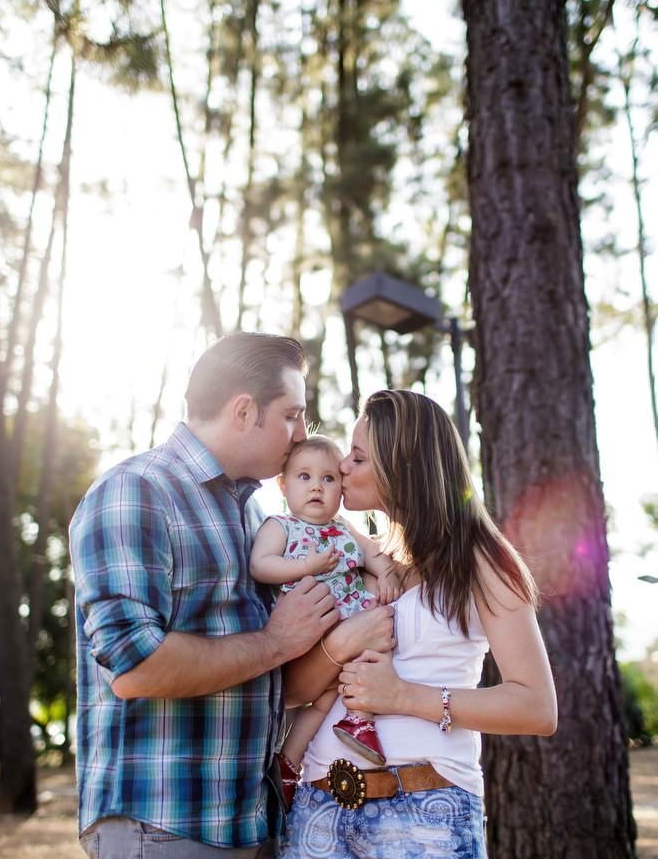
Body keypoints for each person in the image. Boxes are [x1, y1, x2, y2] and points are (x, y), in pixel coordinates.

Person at [70, 332, 343, 859]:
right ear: (244, 411)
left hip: (251, 825)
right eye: (291, 414)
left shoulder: (256, 518)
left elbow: (259, 681)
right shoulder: (136, 492)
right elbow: (136, 667)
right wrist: (276, 642)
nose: (301, 433)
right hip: (166, 826)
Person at [280, 389, 558, 859]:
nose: (342, 467)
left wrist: (404, 697)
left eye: (358, 457)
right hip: (319, 809)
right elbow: (291, 693)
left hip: (425, 811)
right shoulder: (358, 561)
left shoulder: (480, 561)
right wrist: (342, 643)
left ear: (402, 466)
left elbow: (537, 707)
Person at [249, 435, 401, 806]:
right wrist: (306, 566)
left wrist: (386, 574)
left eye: (329, 478)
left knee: (339, 688)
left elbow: (372, 551)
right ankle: (291, 758)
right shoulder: (280, 525)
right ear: (283, 485)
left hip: (351, 627)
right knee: (313, 699)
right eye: (304, 477)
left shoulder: (344, 527)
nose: (316, 486)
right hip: (309, 631)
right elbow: (260, 564)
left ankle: (348, 725)